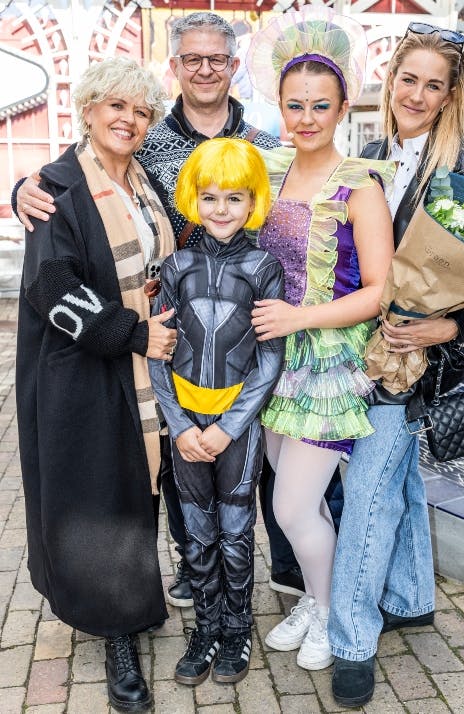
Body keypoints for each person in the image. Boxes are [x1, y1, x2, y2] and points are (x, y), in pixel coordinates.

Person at [12, 11, 308, 605]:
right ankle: (188, 563)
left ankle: (284, 562)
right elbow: (76, 210)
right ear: (174, 67)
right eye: (191, 59)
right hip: (163, 343)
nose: (204, 69)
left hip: (251, 327)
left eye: (217, 59)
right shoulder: (149, 146)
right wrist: (26, 187)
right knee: (174, 462)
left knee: (251, 457)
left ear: (232, 67)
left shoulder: (268, 147)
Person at [328, 22, 464, 707]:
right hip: (361, 352)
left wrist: (451, 323)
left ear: (450, 92)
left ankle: (351, 640)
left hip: (416, 359)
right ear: (390, 80)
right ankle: (408, 595)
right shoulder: (367, 155)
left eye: (435, 84)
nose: (418, 95)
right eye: (409, 79)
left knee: (368, 491)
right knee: (394, 480)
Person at [16, 57, 176, 712]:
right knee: (99, 498)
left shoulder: (144, 183)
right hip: (80, 371)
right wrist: (135, 334)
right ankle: (115, 638)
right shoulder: (55, 187)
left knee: (135, 489)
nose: (128, 120)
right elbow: (52, 291)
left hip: (140, 372)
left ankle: (134, 602)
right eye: (116, 106)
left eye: (140, 112)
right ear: (88, 109)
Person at [246, 7, 395, 671]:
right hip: (270, 359)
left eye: (321, 106)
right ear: (278, 102)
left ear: (342, 107)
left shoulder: (361, 187)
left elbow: (378, 292)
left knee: (291, 503)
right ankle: (315, 596)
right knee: (289, 493)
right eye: (295, 104)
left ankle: (331, 615)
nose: (307, 118)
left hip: (325, 363)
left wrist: (298, 319)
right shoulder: (267, 167)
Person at [148, 137, 285, 685]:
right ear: (192, 198)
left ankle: (235, 631)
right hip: (186, 427)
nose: (221, 209)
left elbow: (270, 356)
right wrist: (180, 426)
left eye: (234, 197)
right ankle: (204, 629)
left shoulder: (263, 267)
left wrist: (229, 429)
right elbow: (159, 350)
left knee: (235, 532)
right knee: (197, 535)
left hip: (238, 429)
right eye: (210, 197)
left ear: (253, 201)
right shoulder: (175, 265)